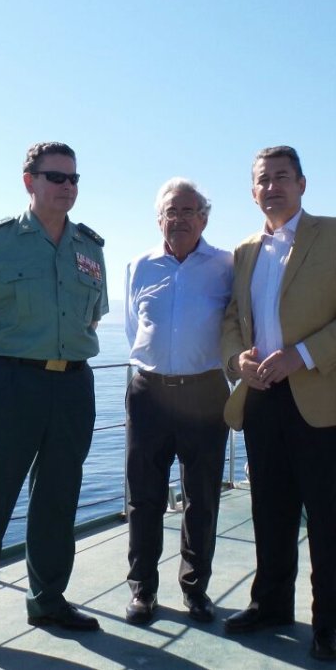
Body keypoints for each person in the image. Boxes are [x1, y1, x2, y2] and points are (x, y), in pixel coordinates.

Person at [0, 142, 107, 667]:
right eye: (55, 176)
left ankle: (49, 601)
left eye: (73, 178)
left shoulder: (90, 246)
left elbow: (91, 319)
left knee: (58, 500)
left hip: (73, 386)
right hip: (10, 385)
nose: (66, 186)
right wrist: (4, 364)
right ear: (28, 181)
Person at [220, 146, 336, 661]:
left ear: (303, 184)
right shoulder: (243, 251)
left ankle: (328, 622)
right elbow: (229, 320)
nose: (273, 187)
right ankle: (270, 604)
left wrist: (302, 355)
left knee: (329, 517)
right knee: (270, 510)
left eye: (283, 178)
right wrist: (235, 362)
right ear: (252, 191)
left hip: (322, 393)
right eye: (264, 180)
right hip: (263, 397)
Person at [123, 177, 233, 626]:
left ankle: (195, 589)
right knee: (144, 498)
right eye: (171, 211)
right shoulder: (138, 265)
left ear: (204, 218)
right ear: (158, 219)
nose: (180, 219)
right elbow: (134, 329)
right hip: (149, 393)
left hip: (205, 392)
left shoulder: (226, 265)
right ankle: (143, 590)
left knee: (202, 498)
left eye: (189, 211)